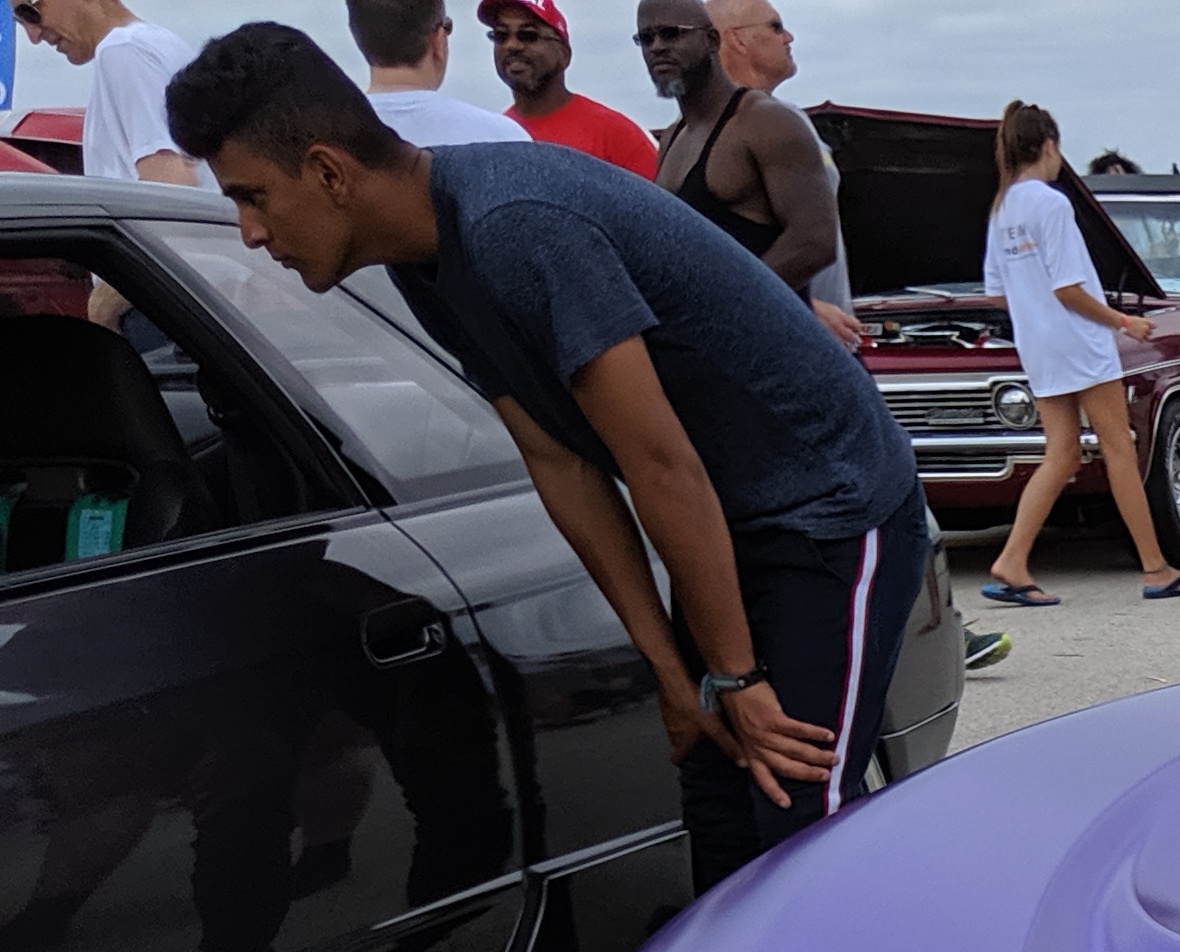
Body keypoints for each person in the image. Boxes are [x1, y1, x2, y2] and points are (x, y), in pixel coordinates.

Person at [173, 21, 924, 889]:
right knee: (720, 822)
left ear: (329, 172)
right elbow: (561, 463)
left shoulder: (515, 225)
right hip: (730, 521)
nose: (250, 232)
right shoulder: (431, 255)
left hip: (831, 506)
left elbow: (658, 463)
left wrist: (734, 671)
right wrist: (677, 677)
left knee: (794, 827)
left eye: (253, 196)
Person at [980, 101, 1180, 605]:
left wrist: (1031, 308)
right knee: (1119, 448)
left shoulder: (1002, 207)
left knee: (1063, 453)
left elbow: (996, 292)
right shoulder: (1052, 204)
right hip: (1078, 341)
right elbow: (1069, 289)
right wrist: (1124, 322)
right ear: (1049, 145)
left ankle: (1012, 560)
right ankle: (1155, 568)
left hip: (1038, 346)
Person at [638, 0, 838, 318]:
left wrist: (723, 308)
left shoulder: (766, 122)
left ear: (712, 41)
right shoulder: (674, 137)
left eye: (672, 34)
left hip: (769, 346)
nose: (657, 47)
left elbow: (814, 243)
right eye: (646, 39)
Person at [705, 0, 858, 339]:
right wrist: (798, 304)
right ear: (738, 40)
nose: (788, 37)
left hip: (826, 339)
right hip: (781, 339)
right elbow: (710, 247)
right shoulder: (712, 133)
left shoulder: (789, 119)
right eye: (775, 27)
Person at [23, 0, 207, 186]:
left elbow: (171, 182)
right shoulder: (162, 45)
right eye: (19, 20)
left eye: (30, 12)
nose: (34, 35)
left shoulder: (123, 50)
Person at [481, 0, 652, 173]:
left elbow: (661, 198)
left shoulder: (616, 136)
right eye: (501, 36)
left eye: (528, 35)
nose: (512, 46)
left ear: (564, 55)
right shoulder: (494, 136)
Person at [351, 0, 523, 145]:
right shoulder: (505, 138)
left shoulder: (328, 139)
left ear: (358, 38)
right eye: (447, 27)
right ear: (438, 40)